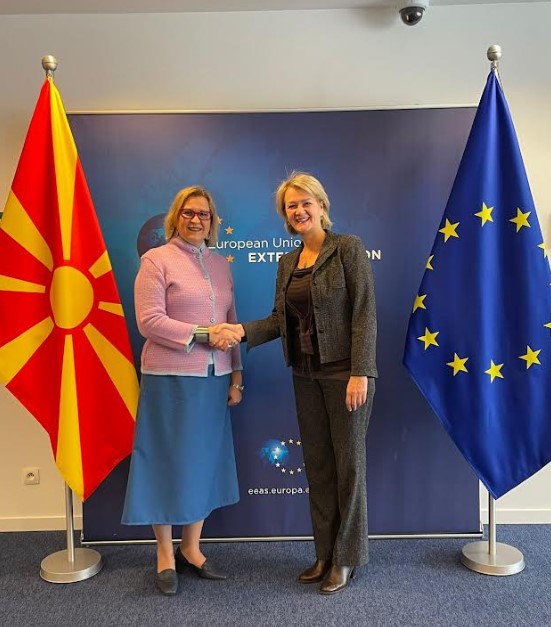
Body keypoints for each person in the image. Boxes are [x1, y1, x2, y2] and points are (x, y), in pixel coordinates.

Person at [220, 171, 377, 595]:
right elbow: (279, 320)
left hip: (346, 376)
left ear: (321, 206)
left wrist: (361, 371)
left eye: (306, 202)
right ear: (285, 215)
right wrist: (241, 331)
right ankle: (324, 553)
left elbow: (364, 313)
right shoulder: (287, 263)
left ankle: (347, 558)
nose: (299, 210)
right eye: (291, 206)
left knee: (349, 467)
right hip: (305, 376)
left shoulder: (347, 248)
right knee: (320, 467)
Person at [122, 186, 244, 596]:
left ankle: (191, 549)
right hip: (169, 378)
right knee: (166, 462)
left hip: (214, 380)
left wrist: (236, 375)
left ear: (212, 221)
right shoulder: (156, 260)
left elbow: (232, 323)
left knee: (202, 463)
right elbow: (149, 321)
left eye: (204, 214)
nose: (196, 220)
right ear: (176, 218)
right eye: (189, 213)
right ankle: (164, 553)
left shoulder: (221, 265)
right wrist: (205, 333)